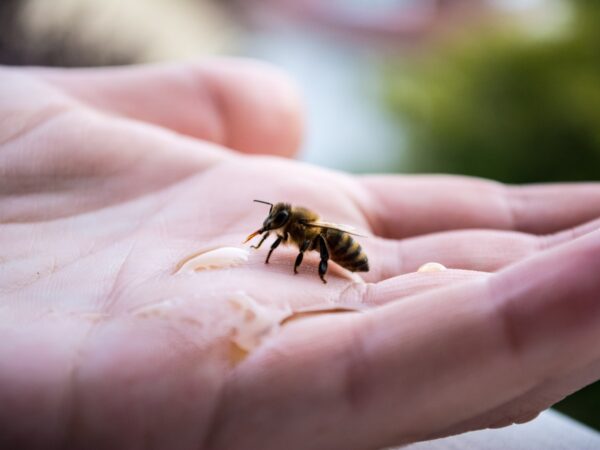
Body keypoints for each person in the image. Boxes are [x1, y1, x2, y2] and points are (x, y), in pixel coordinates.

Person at [1, 59, 599, 450]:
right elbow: (276, 233)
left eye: (272, 223)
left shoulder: (307, 236)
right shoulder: (284, 225)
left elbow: (306, 245)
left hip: (344, 253)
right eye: (271, 224)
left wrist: (296, 265)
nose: (268, 226)